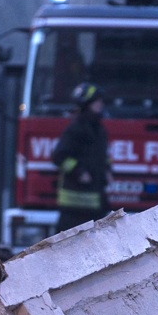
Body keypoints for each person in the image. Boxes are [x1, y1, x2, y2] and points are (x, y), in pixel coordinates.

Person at [51, 82, 112, 232]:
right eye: (96, 102)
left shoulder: (98, 128)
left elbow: (102, 155)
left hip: (94, 201)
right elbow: (59, 156)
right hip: (74, 204)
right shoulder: (76, 128)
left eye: (100, 102)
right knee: (66, 244)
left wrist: (108, 169)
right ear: (87, 104)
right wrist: (79, 171)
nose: (100, 105)